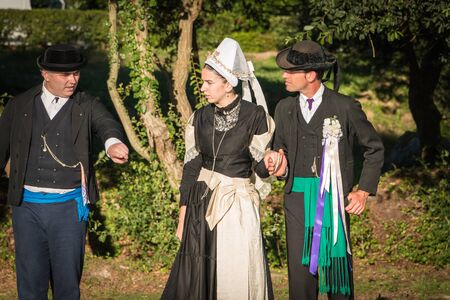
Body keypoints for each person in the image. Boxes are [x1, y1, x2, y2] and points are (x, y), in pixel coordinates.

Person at [0, 44, 129, 299]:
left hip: (69, 210)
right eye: (65, 75)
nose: (72, 80)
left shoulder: (86, 104)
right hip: (27, 208)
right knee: (30, 284)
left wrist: (113, 142)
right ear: (45, 74)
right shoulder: (20, 105)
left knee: (67, 285)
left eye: (76, 74)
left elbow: (106, 123)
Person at [266, 40, 384, 299]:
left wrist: (363, 190)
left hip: (332, 199)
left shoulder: (345, 106)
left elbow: (374, 149)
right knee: (300, 276)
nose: (284, 75)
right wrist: (277, 164)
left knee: (335, 272)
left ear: (310, 75)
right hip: (295, 199)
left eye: (290, 71)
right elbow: (280, 151)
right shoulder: (283, 108)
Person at [161, 38, 274, 300]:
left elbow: (260, 166)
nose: (202, 88)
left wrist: (270, 163)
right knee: (198, 274)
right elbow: (191, 168)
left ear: (229, 84)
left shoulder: (255, 116)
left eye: (209, 83)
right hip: (202, 202)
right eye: (203, 82)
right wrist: (183, 217)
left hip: (237, 205)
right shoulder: (200, 117)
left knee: (234, 271)